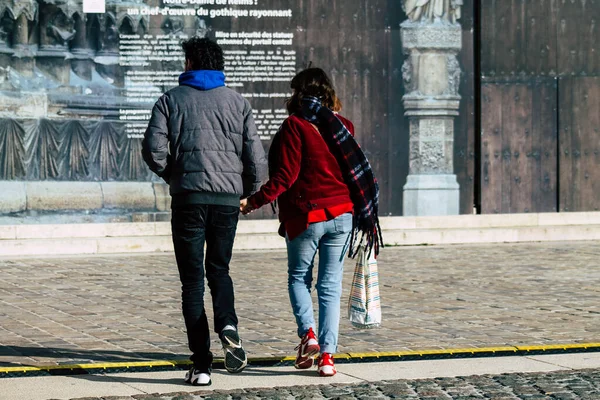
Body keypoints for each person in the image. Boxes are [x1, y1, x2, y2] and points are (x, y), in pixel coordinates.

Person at [240, 68, 382, 377]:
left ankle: (309, 335)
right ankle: (328, 358)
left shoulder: (295, 125)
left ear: (299, 95)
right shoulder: (343, 126)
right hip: (343, 214)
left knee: (298, 277)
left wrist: (253, 201)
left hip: (308, 215)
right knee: (330, 287)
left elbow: (285, 177)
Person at [142, 37, 267, 386]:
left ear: (190, 64)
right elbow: (256, 158)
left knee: (192, 283)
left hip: (189, 200)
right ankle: (228, 324)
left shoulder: (170, 100)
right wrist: (248, 190)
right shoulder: (238, 102)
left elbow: (153, 149)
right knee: (220, 271)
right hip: (227, 200)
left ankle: (201, 367)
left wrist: (174, 174)